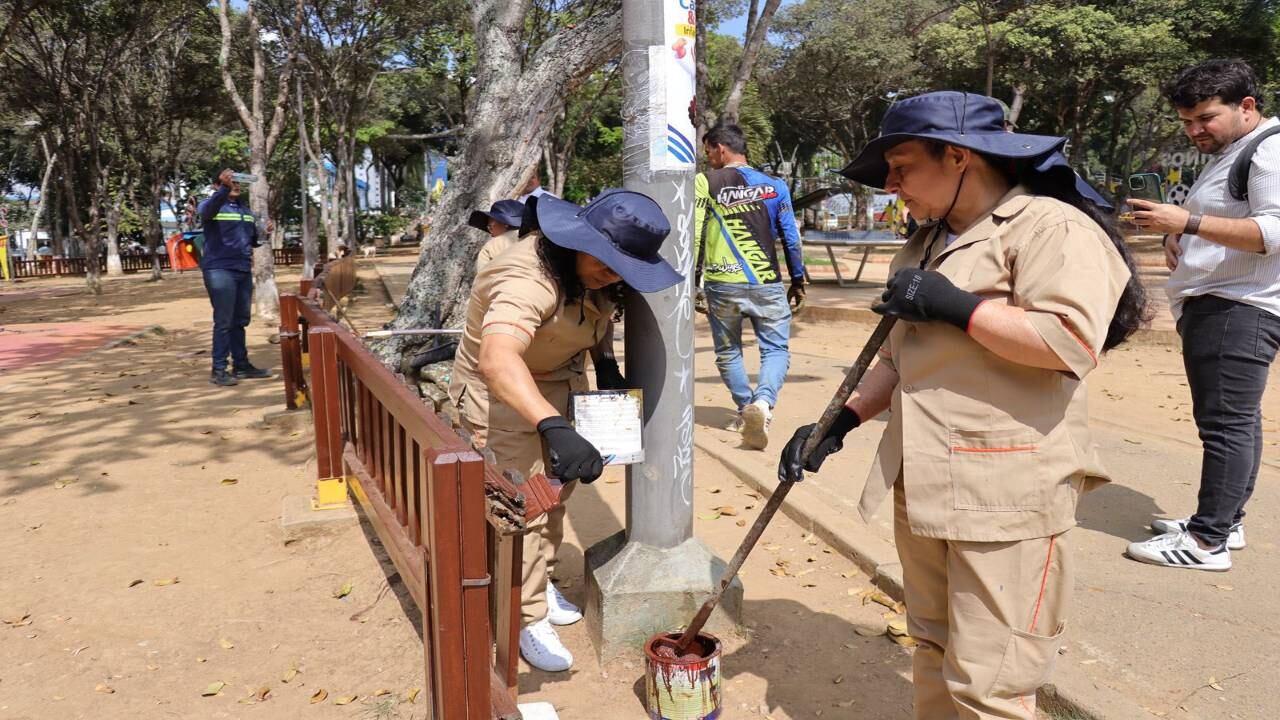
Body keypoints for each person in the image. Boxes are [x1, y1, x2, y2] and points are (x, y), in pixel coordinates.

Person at [778, 91, 1147, 719]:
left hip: (1006, 493)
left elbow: (1069, 342)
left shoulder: (1051, 227)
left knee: (990, 683)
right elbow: (898, 356)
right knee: (932, 646)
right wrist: (840, 421)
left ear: (957, 156)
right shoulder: (925, 241)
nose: (890, 185)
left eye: (901, 167)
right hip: (923, 481)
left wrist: (959, 307)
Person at [448, 190, 681, 672]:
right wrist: (552, 425)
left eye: (622, 269)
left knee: (556, 493)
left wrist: (606, 365)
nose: (612, 275)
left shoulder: (593, 274)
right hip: (501, 395)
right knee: (521, 504)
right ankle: (524, 616)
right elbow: (498, 358)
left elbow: (598, 317)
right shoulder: (526, 276)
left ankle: (540, 582)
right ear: (577, 241)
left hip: (561, 382)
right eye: (606, 263)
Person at [1125, 59, 1280, 571]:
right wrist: (1179, 235)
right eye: (1187, 121)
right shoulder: (1234, 150)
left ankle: (1206, 542)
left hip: (1238, 306)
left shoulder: (1269, 151)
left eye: (1206, 118)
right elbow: (1229, 219)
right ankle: (1224, 522)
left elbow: (1273, 232)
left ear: (1246, 106)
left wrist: (1187, 221)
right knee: (1237, 423)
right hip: (1226, 302)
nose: (1195, 130)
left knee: (1225, 426)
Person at [695, 123, 806, 450]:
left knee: (728, 351)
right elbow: (791, 238)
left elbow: (695, 233)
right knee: (775, 349)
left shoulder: (705, 182)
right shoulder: (775, 186)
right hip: (766, 281)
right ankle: (763, 404)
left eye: (708, 151)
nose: (708, 158)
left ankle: (747, 409)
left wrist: (691, 282)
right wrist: (797, 278)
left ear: (721, 149)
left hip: (722, 283)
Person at [197, 169, 272, 387]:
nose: (236, 185)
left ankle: (241, 365)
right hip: (219, 270)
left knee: (240, 320)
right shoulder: (211, 205)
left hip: (242, 270)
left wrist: (265, 233)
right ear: (217, 185)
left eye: (238, 182)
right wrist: (223, 187)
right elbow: (206, 212)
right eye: (232, 182)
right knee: (224, 321)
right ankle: (219, 369)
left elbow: (253, 240)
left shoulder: (246, 211)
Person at [468, 198, 525, 270]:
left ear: (505, 224)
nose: (491, 234)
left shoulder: (490, 249)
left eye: (490, 227)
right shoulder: (535, 240)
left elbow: (484, 275)